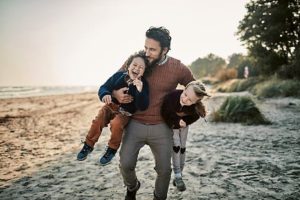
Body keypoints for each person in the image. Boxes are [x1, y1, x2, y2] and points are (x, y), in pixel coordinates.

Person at [111, 26, 195, 200]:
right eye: (145, 47)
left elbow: (195, 88)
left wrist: (184, 112)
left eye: (152, 49)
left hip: (162, 127)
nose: (147, 52)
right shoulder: (136, 61)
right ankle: (133, 187)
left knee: (164, 170)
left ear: (164, 50)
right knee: (125, 165)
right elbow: (113, 82)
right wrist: (115, 94)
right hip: (135, 123)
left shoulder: (177, 67)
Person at [76, 51, 149, 166]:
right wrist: (105, 94)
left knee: (116, 124)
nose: (136, 68)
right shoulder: (118, 76)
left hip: (125, 113)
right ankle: (88, 145)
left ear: (144, 72)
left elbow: (143, 105)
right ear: (128, 66)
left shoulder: (143, 84)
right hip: (110, 107)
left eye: (141, 67)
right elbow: (104, 87)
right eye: (134, 65)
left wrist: (140, 90)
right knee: (97, 121)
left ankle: (112, 149)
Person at [161, 80, 209, 192]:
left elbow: (195, 116)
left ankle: (179, 174)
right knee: (176, 146)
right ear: (184, 89)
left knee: (182, 148)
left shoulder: (195, 108)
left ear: (196, 102)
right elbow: (165, 111)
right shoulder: (172, 96)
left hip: (184, 125)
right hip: (173, 123)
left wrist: (185, 122)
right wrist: (177, 121)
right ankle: (177, 175)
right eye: (185, 94)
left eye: (190, 100)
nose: (185, 99)